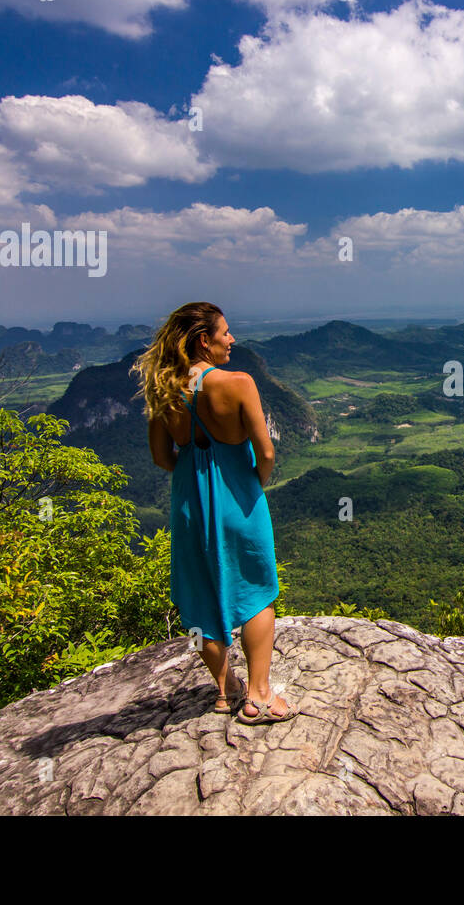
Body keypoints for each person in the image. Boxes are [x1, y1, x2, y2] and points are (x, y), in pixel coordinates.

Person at [132, 302, 298, 724]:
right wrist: (250, 484)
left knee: (202, 596)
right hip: (238, 500)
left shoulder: (163, 387)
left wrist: (192, 476)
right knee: (258, 591)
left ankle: (225, 691)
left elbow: (160, 456)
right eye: (226, 332)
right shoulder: (238, 383)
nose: (232, 339)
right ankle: (259, 697)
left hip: (190, 504)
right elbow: (266, 451)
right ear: (205, 340)